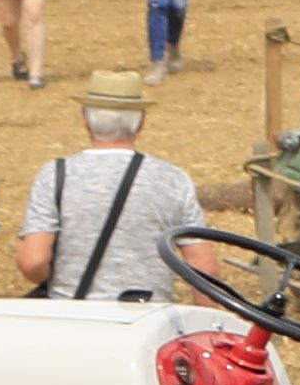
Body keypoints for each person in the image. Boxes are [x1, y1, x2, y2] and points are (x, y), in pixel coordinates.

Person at [12, 80, 207, 301]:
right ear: (141, 122)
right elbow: (203, 268)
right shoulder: (173, 179)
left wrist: (57, 280)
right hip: (148, 317)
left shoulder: (56, 175)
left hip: (75, 316)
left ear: (85, 119)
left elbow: (33, 261)